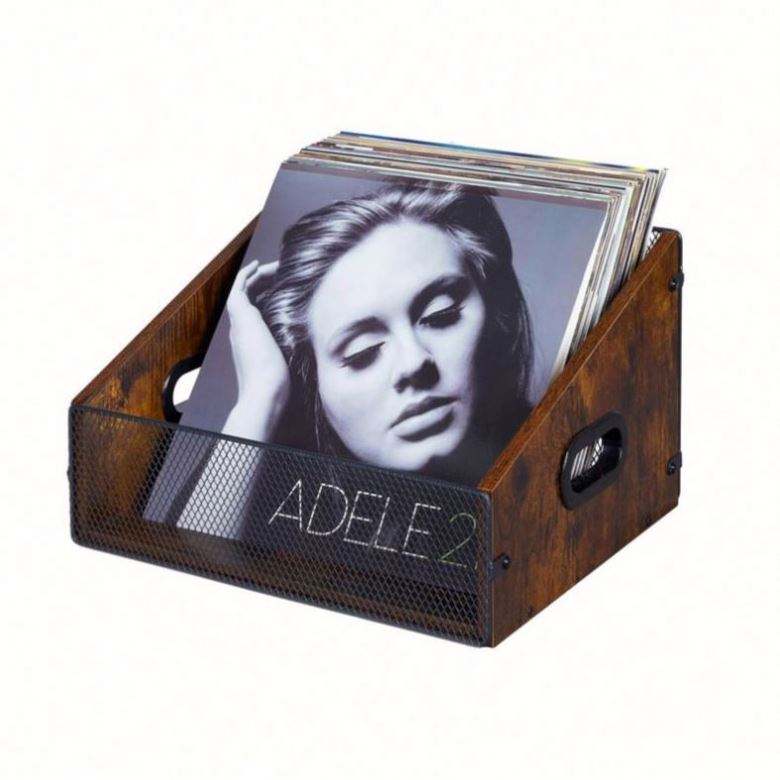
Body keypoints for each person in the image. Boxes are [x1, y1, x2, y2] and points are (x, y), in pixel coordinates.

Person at [177, 180, 534, 537]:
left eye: (440, 315)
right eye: (362, 352)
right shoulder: (291, 510)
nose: (414, 362)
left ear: (496, 315)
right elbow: (190, 560)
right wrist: (259, 399)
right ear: (314, 383)